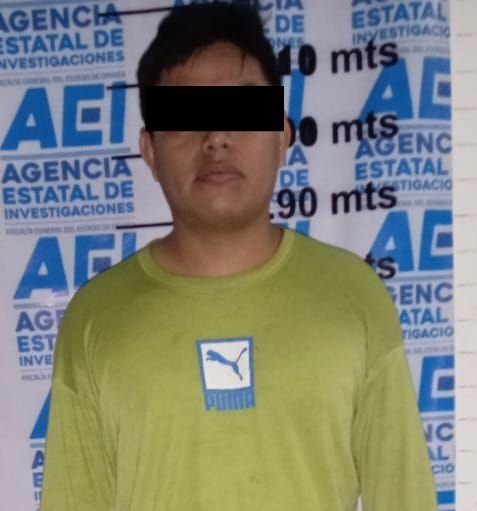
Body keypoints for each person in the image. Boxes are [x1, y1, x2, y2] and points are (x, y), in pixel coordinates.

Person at [40, 3, 438, 511]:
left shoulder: (354, 296)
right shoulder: (96, 317)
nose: (216, 139)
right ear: (150, 150)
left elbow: (405, 499)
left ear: (281, 135)